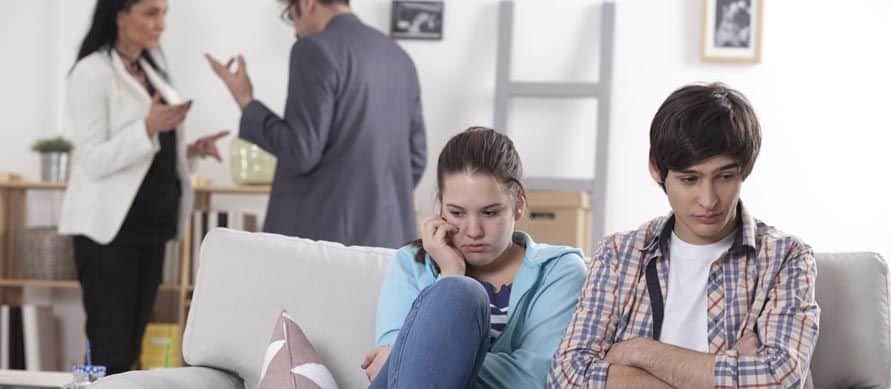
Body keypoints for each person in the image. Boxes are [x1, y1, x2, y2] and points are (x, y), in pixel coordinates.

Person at [548, 83, 820, 388]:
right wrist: (725, 371)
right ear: (656, 169)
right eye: (690, 179)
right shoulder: (618, 254)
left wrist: (639, 352)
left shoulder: (785, 258)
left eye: (725, 177)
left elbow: (777, 379)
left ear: (747, 168)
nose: (708, 199)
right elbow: (568, 376)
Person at [59, 0, 227, 374]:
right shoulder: (91, 72)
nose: (162, 24)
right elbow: (94, 159)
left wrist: (190, 150)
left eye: (164, 13)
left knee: (132, 344)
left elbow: (148, 154)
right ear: (119, 15)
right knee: (110, 345)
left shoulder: (151, 71)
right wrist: (149, 127)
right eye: (151, 13)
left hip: (152, 226)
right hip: (110, 232)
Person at [363, 127, 587, 388]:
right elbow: (390, 374)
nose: (473, 231)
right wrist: (450, 275)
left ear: (519, 204)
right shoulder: (411, 263)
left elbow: (538, 378)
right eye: (457, 213)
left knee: (461, 294)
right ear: (440, 205)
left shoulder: (560, 271)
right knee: (459, 292)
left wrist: (426, 356)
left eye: (490, 213)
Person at [206, 0, 427, 248]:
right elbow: (417, 159)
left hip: (325, 243)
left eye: (291, 16)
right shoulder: (399, 57)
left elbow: (301, 151)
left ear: (307, 3)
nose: (295, 30)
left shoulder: (313, 49)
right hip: (391, 239)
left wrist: (246, 102)